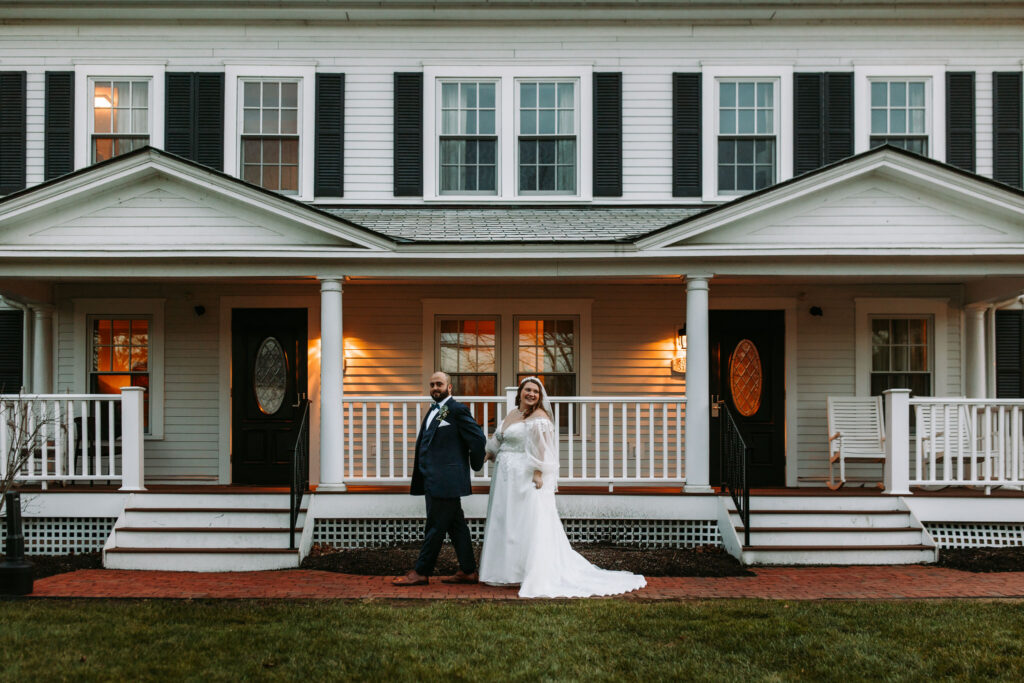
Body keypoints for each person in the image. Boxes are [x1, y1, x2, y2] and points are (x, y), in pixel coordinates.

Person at [478, 376, 646, 598]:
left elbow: (542, 448)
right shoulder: (512, 414)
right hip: (504, 476)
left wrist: (538, 472)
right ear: (520, 393)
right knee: (505, 519)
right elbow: (499, 440)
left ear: (540, 397)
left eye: (536, 392)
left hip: (523, 475)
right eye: (528, 390)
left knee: (524, 521)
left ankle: (523, 571)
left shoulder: (540, 418)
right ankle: (503, 572)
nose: (531, 394)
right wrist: (487, 454)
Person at [393, 371, 486, 586]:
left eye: (439, 384)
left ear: (449, 387)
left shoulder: (456, 409)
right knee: (456, 526)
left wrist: (475, 464)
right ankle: (468, 570)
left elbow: (478, 439)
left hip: (447, 480)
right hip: (433, 479)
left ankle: (421, 572)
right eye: (432, 384)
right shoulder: (436, 410)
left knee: (434, 527)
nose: (435, 388)